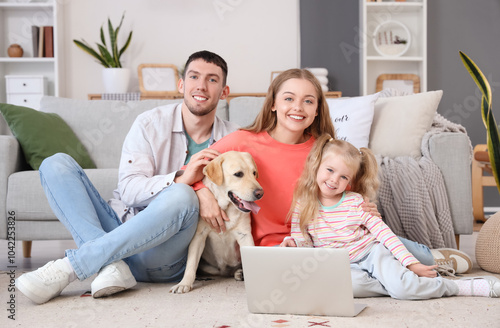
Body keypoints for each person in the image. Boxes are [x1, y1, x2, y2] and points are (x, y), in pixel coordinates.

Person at [194, 68, 474, 297]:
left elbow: (343, 194)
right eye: (289, 98)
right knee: (325, 288)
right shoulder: (244, 142)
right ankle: (400, 278)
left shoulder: (322, 149)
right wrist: (204, 196)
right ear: (274, 104)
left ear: (317, 110)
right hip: (280, 249)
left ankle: (433, 257)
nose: (298, 107)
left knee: (410, 258)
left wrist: (367, 208)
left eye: (308, 101)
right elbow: (194, 171)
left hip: (333, 241)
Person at [16, 50, 239, 304]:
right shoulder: (148, 123)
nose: (201, 86)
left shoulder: (234, 140)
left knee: (182, 195)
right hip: (118, 226)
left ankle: (75, 264)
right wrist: (185, 179)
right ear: (181, 84)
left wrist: (191, 188)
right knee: (55, 164)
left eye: (212, 79)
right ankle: (112, 267)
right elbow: (130, 191)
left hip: (163, 257)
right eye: (194, 76)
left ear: (224, 91)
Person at [280, 135, 500, 299]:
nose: (334, 180)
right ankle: (399, 283)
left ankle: (455, 287)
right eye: (329, 170)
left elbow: (384, 234)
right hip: (340, 264)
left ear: (350, 181)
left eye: (343, 176)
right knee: (342, 289)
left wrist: (411, 264)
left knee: (405, 289)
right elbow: (304, 241)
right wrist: (294, 245)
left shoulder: (355, 202)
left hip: (370, 254)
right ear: (316, 165)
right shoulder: (303, 201)